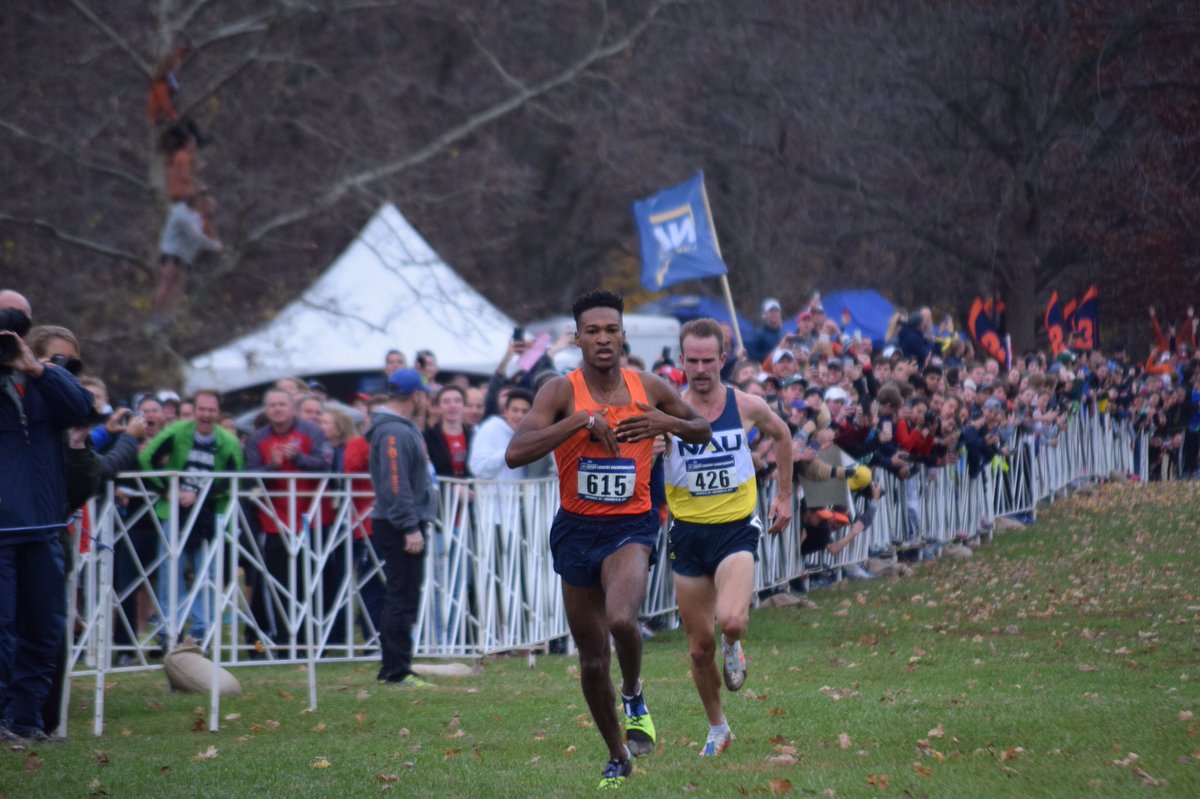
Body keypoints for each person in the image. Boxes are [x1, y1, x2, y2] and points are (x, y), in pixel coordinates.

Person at [504, 290, 711, 790]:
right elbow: (515, 452)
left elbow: (703, 428)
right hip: (577, 529)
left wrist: (669, 423)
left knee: (622, 618)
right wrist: (580, 422)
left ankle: (635, 694)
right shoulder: (559, 391)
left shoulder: (650, 385)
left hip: (631, 526)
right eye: (592, 331)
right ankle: (617, 754)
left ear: (624, 335)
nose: (602, 338)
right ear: (577, 338)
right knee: (593, 659)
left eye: (610, 330)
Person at [663, 319, 793, 757]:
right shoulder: (670, 413)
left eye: (708, 360)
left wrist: (786, 496)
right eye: (692, 360)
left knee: (732, 620)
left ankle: (734, 644)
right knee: (699, 649)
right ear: (681, 361)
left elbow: (783, 435)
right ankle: (718, 728)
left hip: (736, 528)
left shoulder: (747, 405)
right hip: (687, 534)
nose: (700, 369)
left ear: (723, 359)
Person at [0, 290, 93, 741]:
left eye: (17, 320)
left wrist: (35, 369)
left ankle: (25, 720)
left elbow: (81, 410)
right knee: (2, 631)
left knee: (42, 631)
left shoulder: (46, 377)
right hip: (1, 528)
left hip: (42, 527)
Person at [138, 389, 243, 644]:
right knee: (169, 570)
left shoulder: (227, 442)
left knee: (206, 572)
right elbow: (146, 458)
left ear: (218, 413)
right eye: (202, 409)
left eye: (212, 410)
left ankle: (200, 630)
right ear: (194, 410)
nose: (206, 415)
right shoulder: (177, 432)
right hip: (173, 511)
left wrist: (201, 495)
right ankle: (168, 628)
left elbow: (236, 478)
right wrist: (166, 490)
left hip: (210, 512)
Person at [365, 369, 438, 687]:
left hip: (399, 521)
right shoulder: (394, 432)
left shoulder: (398, 429)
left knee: (403, 594)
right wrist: (409, 527)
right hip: (399, 525)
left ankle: (397, 666)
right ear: (416, 396)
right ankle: (396, 670)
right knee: (401, 596)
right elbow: (396, 485)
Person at [152, 191, 223, 326]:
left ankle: (169, 317)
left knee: (178, 288)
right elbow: (195, 236)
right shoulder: (182, 215)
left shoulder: (196, 216)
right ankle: (156, 315)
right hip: (173, 253)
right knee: (167, 283)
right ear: (199, 202)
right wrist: (213, 245)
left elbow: (203, 232)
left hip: (185, 255)